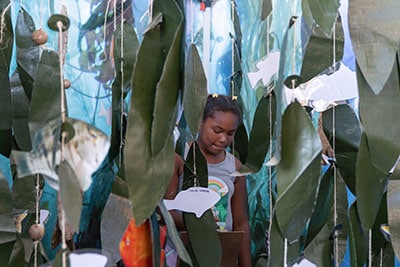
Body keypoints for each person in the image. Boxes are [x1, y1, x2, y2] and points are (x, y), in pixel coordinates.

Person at [166, 94, 252, 267]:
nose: (223, 139)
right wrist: (200, 223)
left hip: (222, 258)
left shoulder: (235, 168)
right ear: (200, 122)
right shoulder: (179, 158)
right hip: (184, 256)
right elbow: (166, 210)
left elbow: (240, 222)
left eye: (230, 133)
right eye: (217, 130)